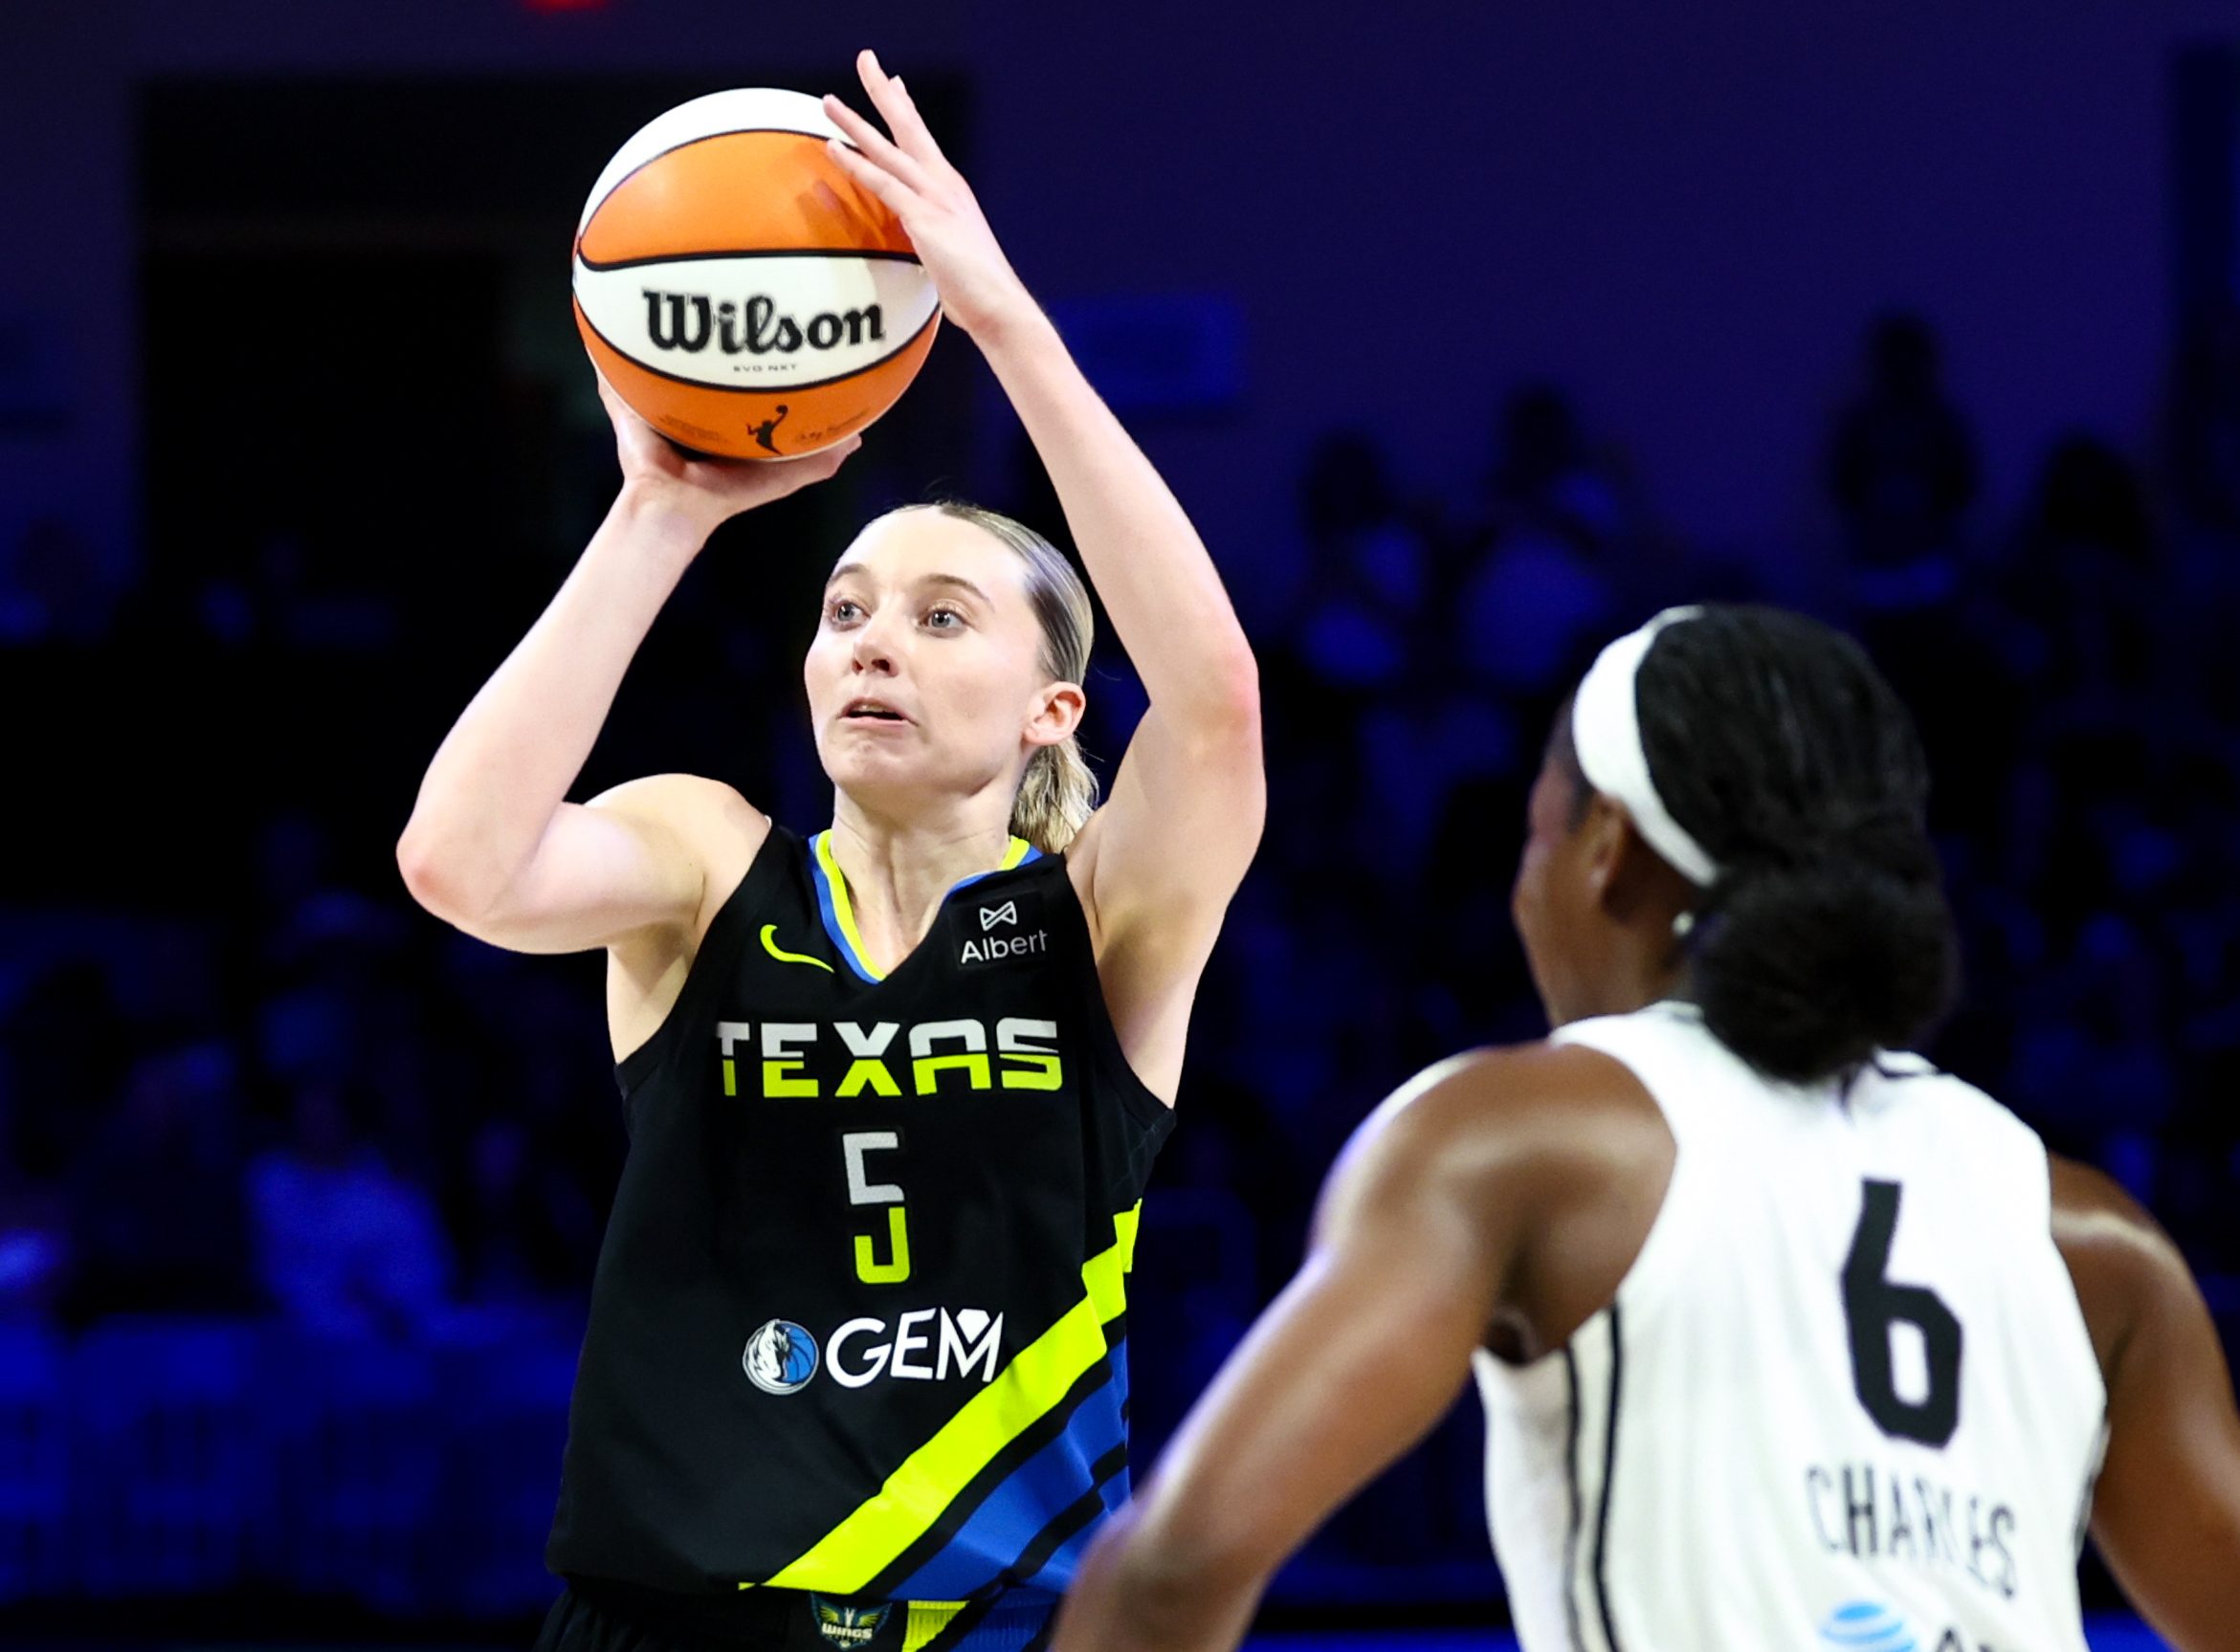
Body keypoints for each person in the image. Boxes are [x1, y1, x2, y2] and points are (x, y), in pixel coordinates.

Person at [396, 51, 1262, 1652]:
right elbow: (458, 863)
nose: (875, 643)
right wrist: (657, 516)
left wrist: (1003, 321)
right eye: (845, 610)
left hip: (995, 1614)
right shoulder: (706, 857)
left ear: (1051, 707)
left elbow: (1213, 706)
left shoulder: (1104, 919)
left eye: (943, 620)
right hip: (670, 1620)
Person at [1051, 606, 2240, 1652]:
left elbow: (1176, 1569)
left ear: (1605, 850)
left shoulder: (1517, 1141)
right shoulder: (2089, 1231)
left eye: (1536, 837)